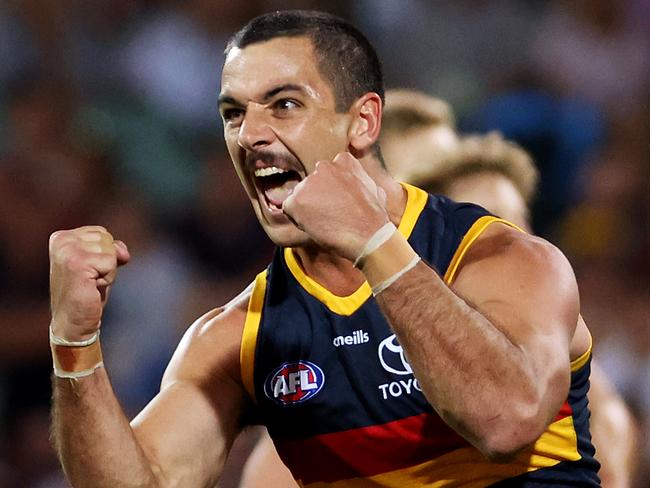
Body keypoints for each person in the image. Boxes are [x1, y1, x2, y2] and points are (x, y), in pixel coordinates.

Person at [48, 10, 600, 487]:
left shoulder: (502, 260)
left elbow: (506, 421)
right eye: (233, 113)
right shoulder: (241, 335)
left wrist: (374, 244)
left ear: (363, 122)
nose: (249, 135)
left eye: (283, 105)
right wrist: (74, 346)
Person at [396, 128, 639, 488]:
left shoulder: (565, 355)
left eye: (515, 221)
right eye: (485, 222)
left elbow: (608, 440)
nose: (509, 240)